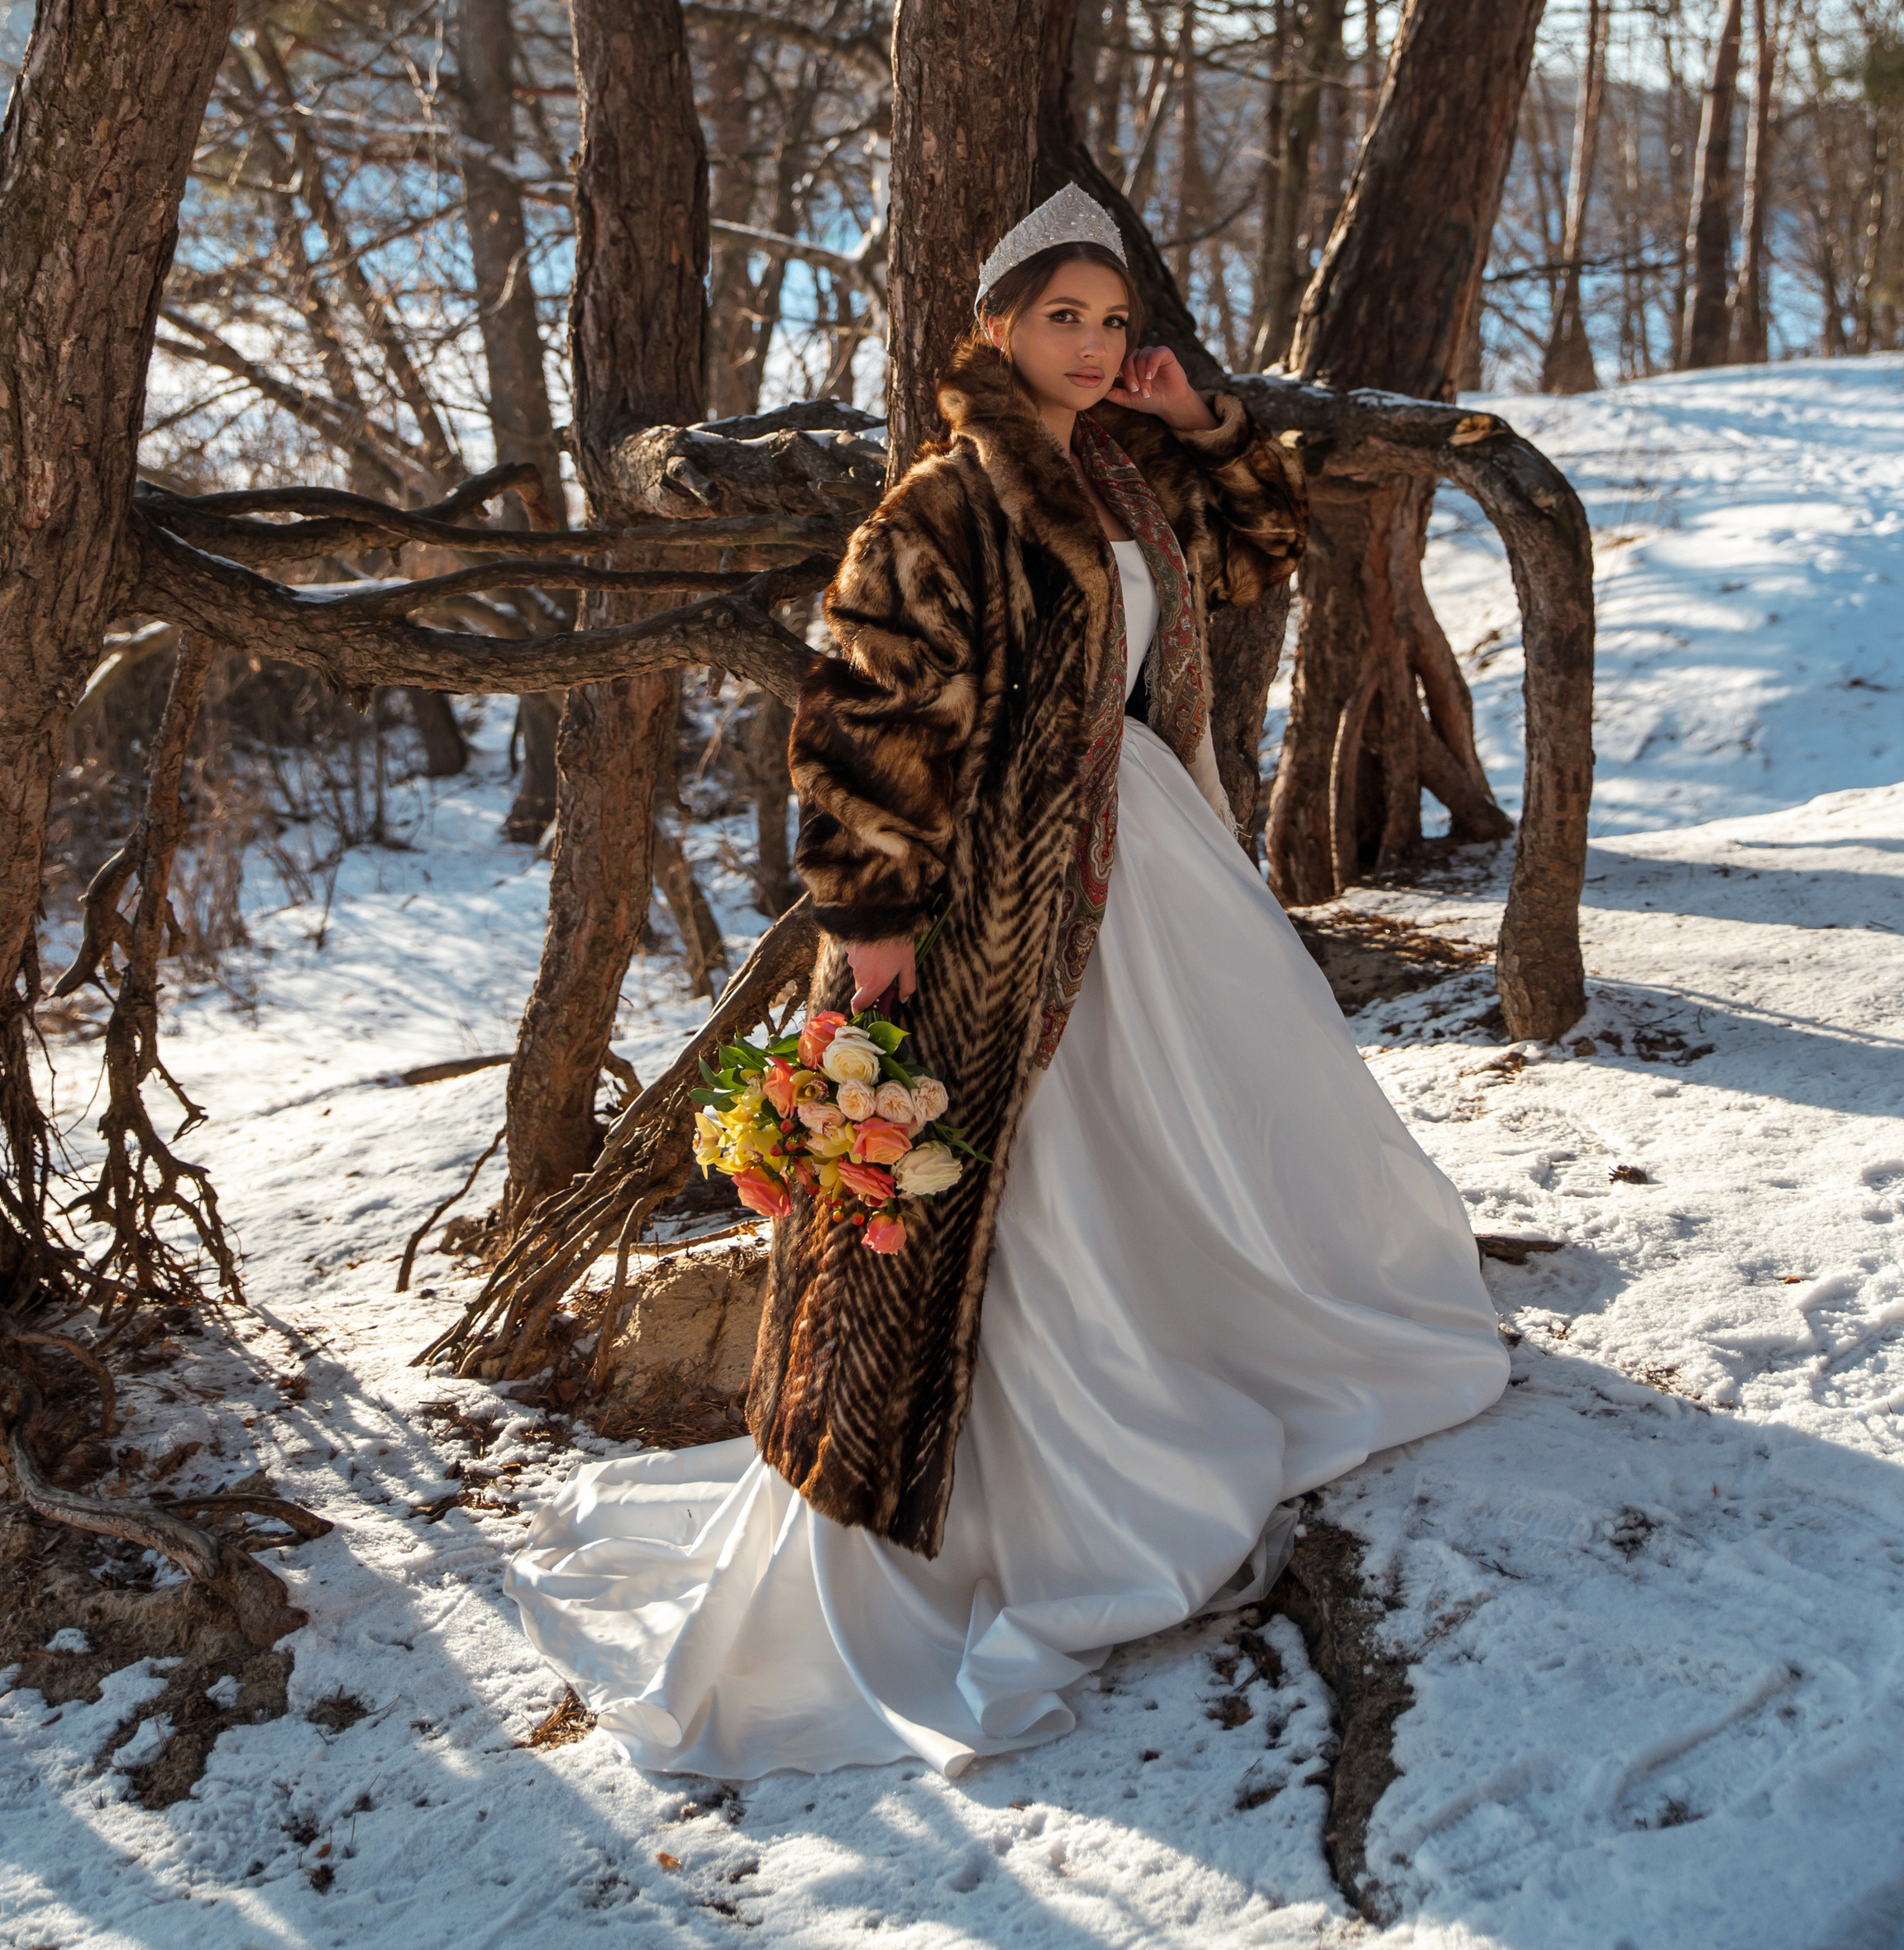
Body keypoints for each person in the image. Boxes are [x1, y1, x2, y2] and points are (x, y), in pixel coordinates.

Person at [509, 186, 1509, 1777]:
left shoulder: (1123, 471)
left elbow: (1256, 559)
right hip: (992, 889)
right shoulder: (937, 508)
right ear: (990, 328)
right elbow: (859, 716)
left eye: (1115, 323)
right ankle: (1010, 1482)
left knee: (1185, 1117)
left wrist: (1207, 417)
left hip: (1147, 849)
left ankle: (1198, 1352)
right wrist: (872, 910)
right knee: (1006, 1170)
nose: (1098, 346)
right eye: (1067, 319)